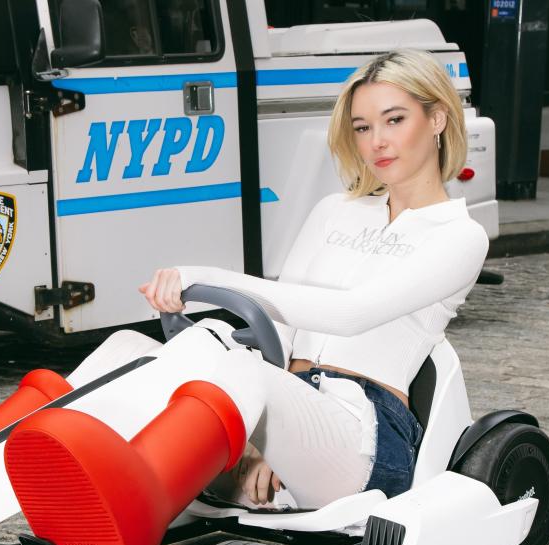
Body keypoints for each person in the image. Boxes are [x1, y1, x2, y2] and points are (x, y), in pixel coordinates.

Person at [138, 48, 489, 508]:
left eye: (395, 120)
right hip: (280, 404)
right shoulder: (334, 212)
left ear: (438, 119)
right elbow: (279, 325)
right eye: (363, 128)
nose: (377, 142)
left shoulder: (461, 236)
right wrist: (266, 438)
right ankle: (56, 471)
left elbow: (350, 314)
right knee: (143, 352)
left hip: (365, 430)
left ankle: (126, 487)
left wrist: (202, 276)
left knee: (241, 372)